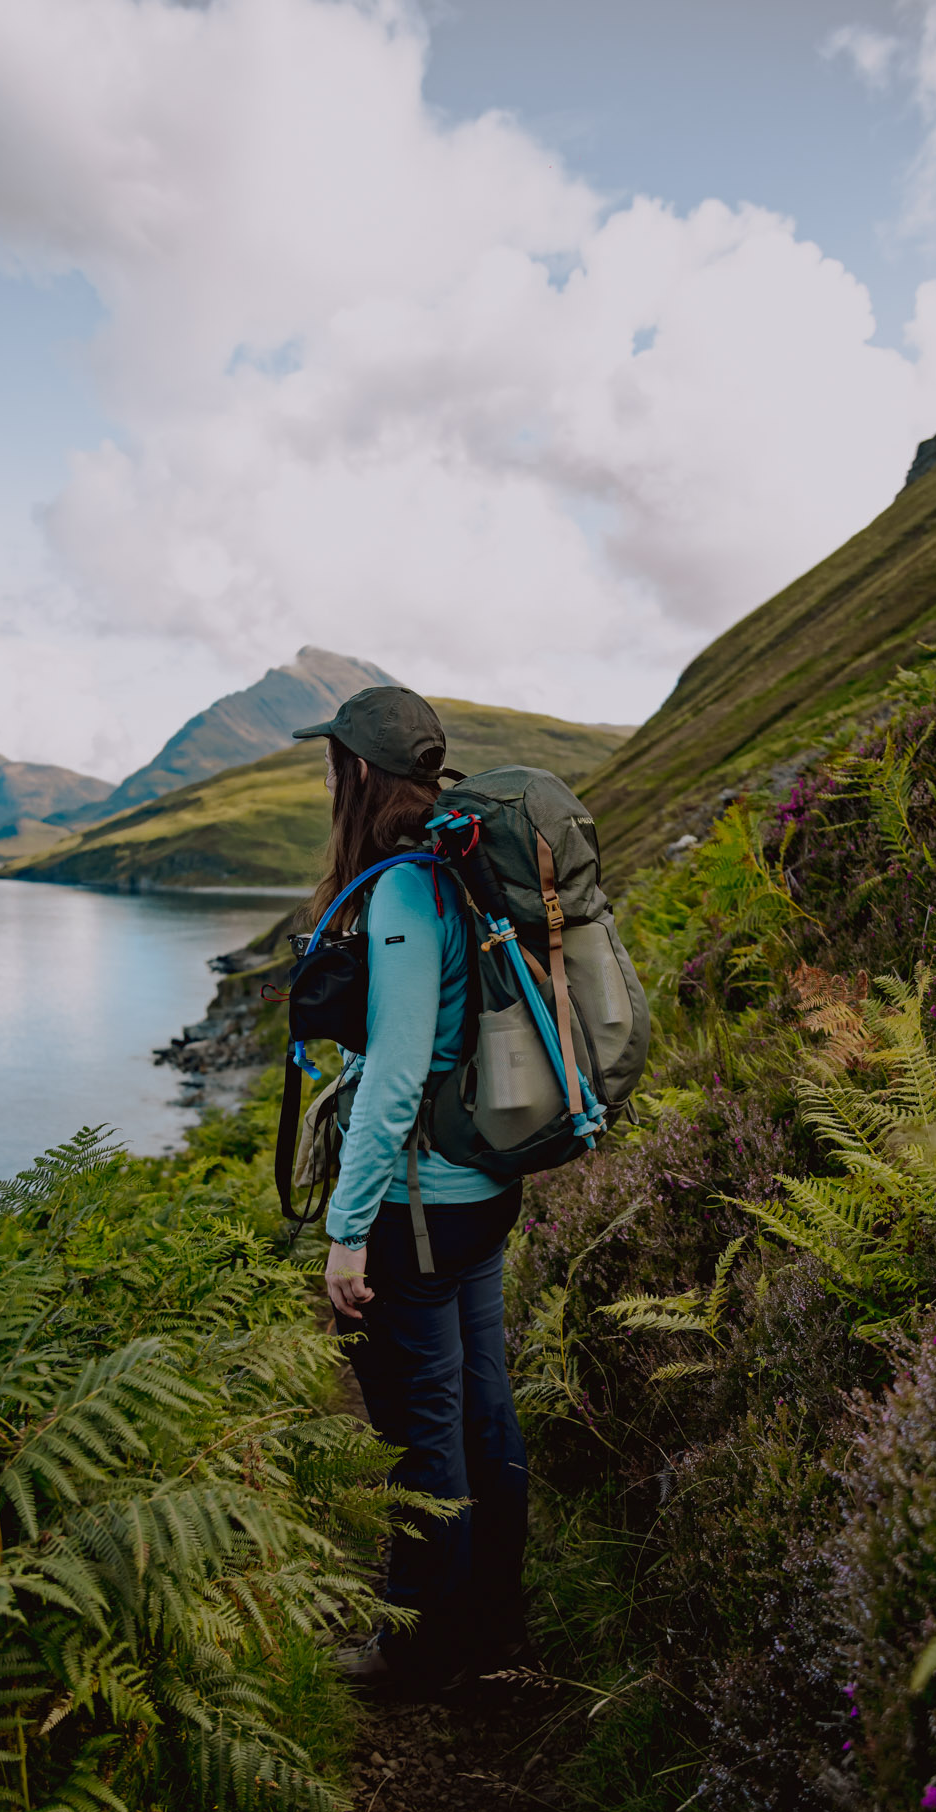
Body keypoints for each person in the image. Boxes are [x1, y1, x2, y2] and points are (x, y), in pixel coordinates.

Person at [290, 685, 529, 1694]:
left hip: (421, 1207)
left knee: (424, 1431)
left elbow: (391, 1076)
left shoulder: (398, 891)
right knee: (484, 1411)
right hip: (484, 1185)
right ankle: (491, 1622)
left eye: (336, 763)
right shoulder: (459, 862)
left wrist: (347, 1231)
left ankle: (419, 1647)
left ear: (359, 773)